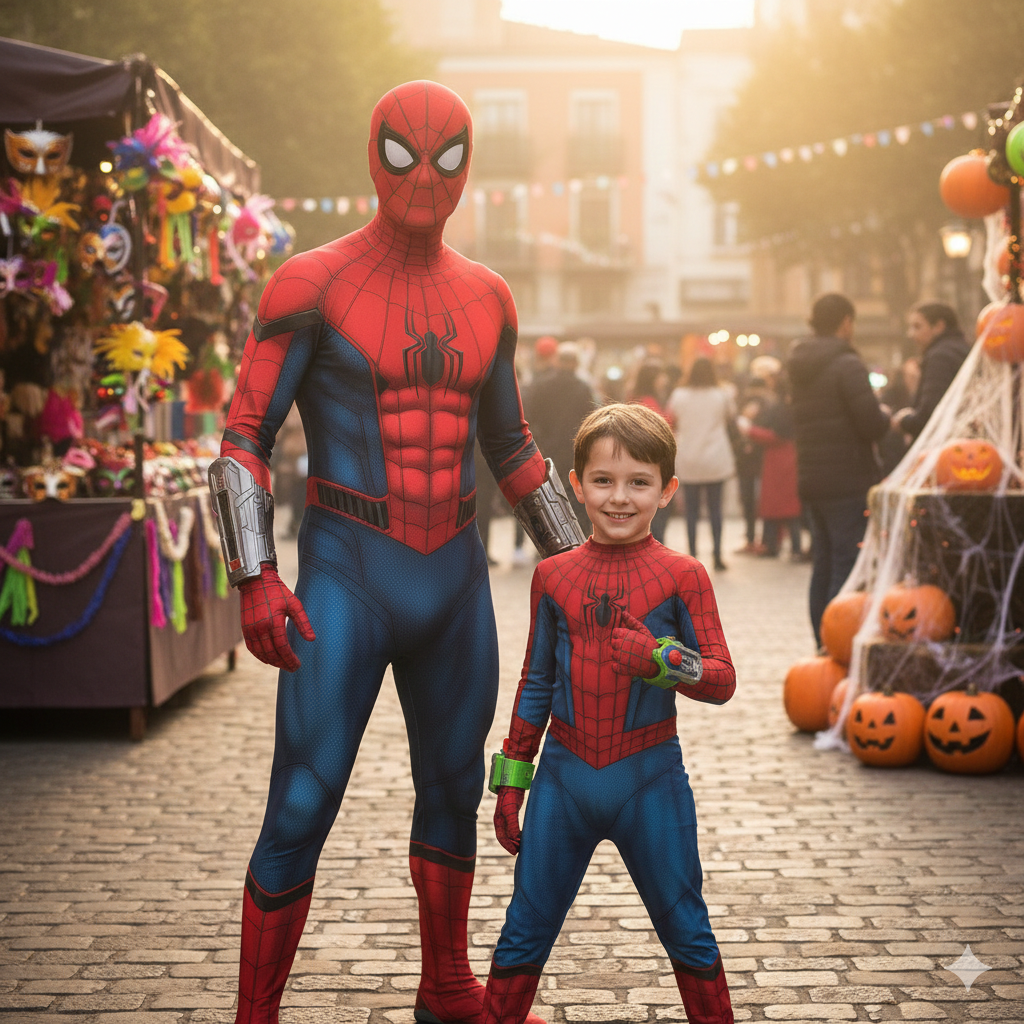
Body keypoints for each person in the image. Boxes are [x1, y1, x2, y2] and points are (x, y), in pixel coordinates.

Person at [208, 81, 583, 1024]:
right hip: (346, 568)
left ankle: (447, 987)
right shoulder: (311, 280)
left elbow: (514, 449)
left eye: (447, 155)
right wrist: (254, 575)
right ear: (372, 155)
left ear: (470, 166)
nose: (424, 175)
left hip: (453, 578)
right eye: (404, 152)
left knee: (453, 791)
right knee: (302, 800)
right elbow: (244, 435)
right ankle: (256, 1015)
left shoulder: (489, 294)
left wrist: (589, 568)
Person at [479, 403, 737, 1024]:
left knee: (687, 927)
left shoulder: (684, 577)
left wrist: (660, 659)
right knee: (524, 930)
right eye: (603, 481)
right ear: (575, 485)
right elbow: (535, 681)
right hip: (563, 782)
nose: (619, 498)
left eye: (639, 482)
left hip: (650, 779)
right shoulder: (553, 576)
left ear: (667, 489)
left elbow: (723, 679)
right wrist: (511, 782)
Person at [787, 293, 890, 646]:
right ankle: (839, 640)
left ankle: (822, 639)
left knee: (824, 561)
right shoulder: (847, 363)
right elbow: (871, 424)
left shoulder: (799, 363)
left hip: (812, 478)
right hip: (847, 478)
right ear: (846, 322)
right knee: (847, 563)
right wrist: (887, 417)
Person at [666, 358, 736, 570]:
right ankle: (717, 555)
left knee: (692, 511)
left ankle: (693, 556)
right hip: (715, 457)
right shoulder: (721, 394)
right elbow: (731, 417)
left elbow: (671, 419)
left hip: (689, 457)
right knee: (715, 510)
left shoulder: (679, 395)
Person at [526, 340, 597, 534]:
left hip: (547, 451)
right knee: (577, 495)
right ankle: (579, 537)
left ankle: (552, 538)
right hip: (576, 450)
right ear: (575, 363)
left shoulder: (541, 386)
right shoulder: (583, 388)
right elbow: (592, 420)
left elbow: (531, 418)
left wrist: (541, 442)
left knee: (550, 497)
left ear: (558, 361)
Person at [891, 302, 970, 440]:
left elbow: (930, 415)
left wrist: (903, 421)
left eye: (917, 327)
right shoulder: (962, 349)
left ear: (938, 326)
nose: (910, 334)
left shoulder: (940, 357)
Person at [628, 360, 674, 544]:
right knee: (658, 512)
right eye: (661, 375)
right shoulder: (647, 402)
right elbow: (660, 429)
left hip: (642, 461)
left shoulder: (636, 397)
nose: (664, 379)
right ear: (653, 378)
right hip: (650, 462)